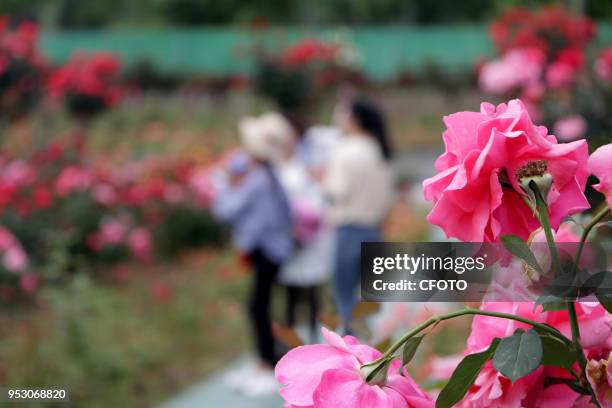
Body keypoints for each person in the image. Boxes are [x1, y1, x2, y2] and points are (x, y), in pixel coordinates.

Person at [212, 112, 295, 396]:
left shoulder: (256, 178)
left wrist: (225, 181)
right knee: (261, 305)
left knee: (258, 307)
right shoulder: (270, 175)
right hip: (274, 250)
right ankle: (265, 358)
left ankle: (266, 362)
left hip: (265, 251)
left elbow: (225, 209)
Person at [324, 96, 395, 334]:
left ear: (355, 119)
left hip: (349, 230)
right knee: (368, 301)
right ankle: (372, 351)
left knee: (344, 298)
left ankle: (351, 352)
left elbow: (338, 191)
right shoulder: (378, 149)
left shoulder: (345, 150)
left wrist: (321, 180)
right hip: (374, 230)